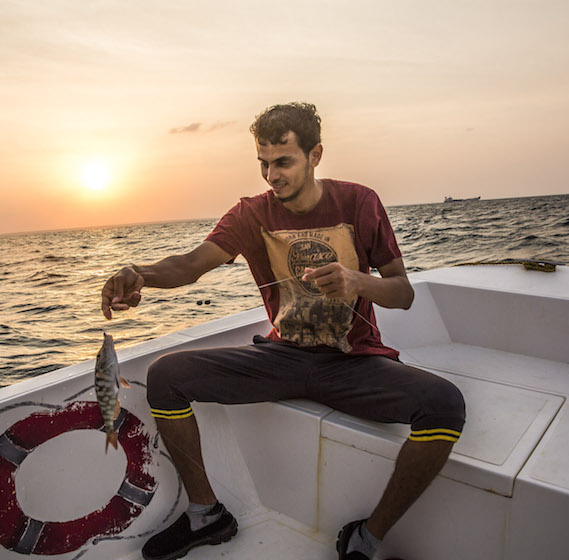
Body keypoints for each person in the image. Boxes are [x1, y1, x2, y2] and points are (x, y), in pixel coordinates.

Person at [101, 102, 466, 560]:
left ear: (315, 155)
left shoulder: (358, 202)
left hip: (352, 363)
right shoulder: (251, 214)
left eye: (284, 162)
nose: (272, 175)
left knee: (445, 405)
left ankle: (367, 539)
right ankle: (205, 514)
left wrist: (357, 281)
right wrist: (140, 273)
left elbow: (403, 292)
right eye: (264, 164)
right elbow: (191, 265)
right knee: (166, 376)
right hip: (282, 358)